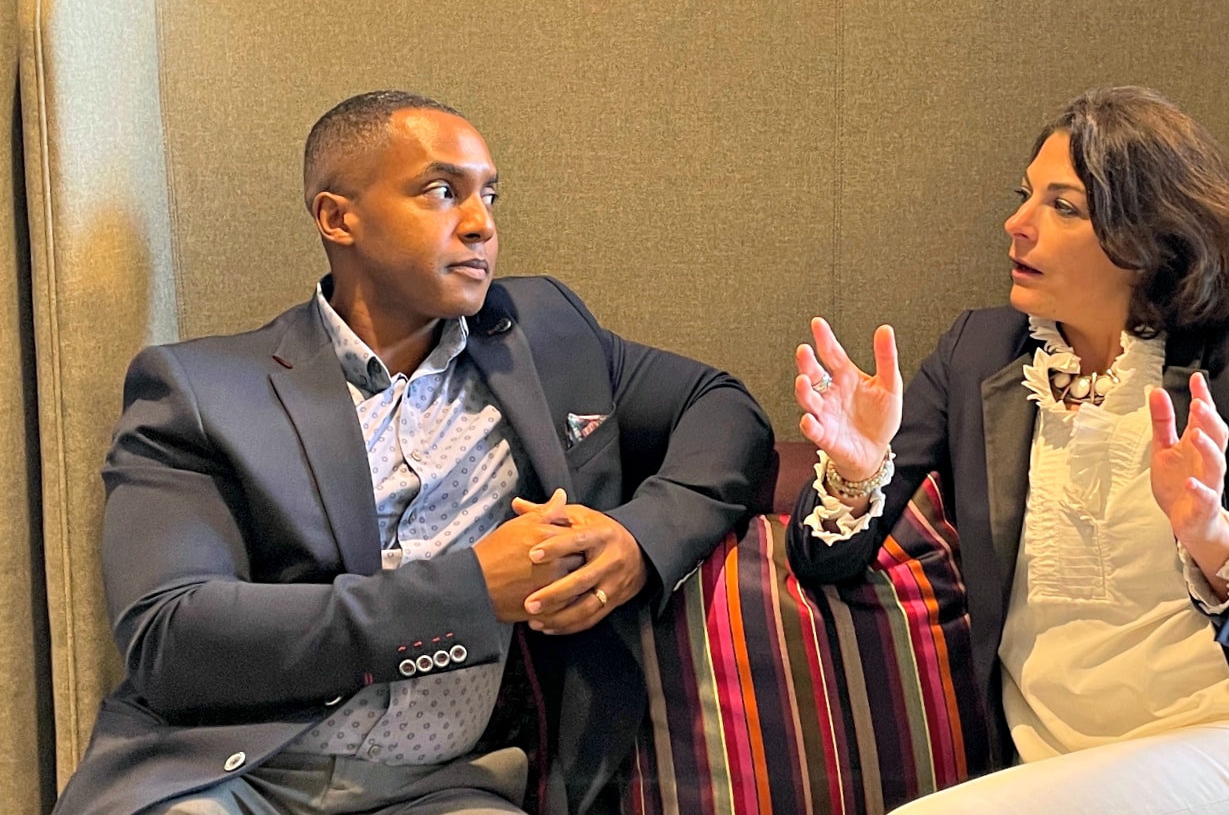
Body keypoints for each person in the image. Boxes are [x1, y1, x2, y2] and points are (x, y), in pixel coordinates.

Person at [56, 91, 772, 815]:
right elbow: (171, 634)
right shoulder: (205, 389)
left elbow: (722, 408)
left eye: (489, 194)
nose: (481, 224)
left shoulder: (545, 337)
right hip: (234, 774)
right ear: (339, 218)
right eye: (442, 191)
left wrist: (637, 538)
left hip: (445, 786)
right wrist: (470, 591)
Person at [785, 87, 1229, 815]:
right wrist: (858, 472)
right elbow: (822, 559)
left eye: (1064, 206)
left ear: (1150, 239)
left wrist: (1214, 537)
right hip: (1059, 770)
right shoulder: (976, 355)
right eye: (1025, 197)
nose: (1016, 225)